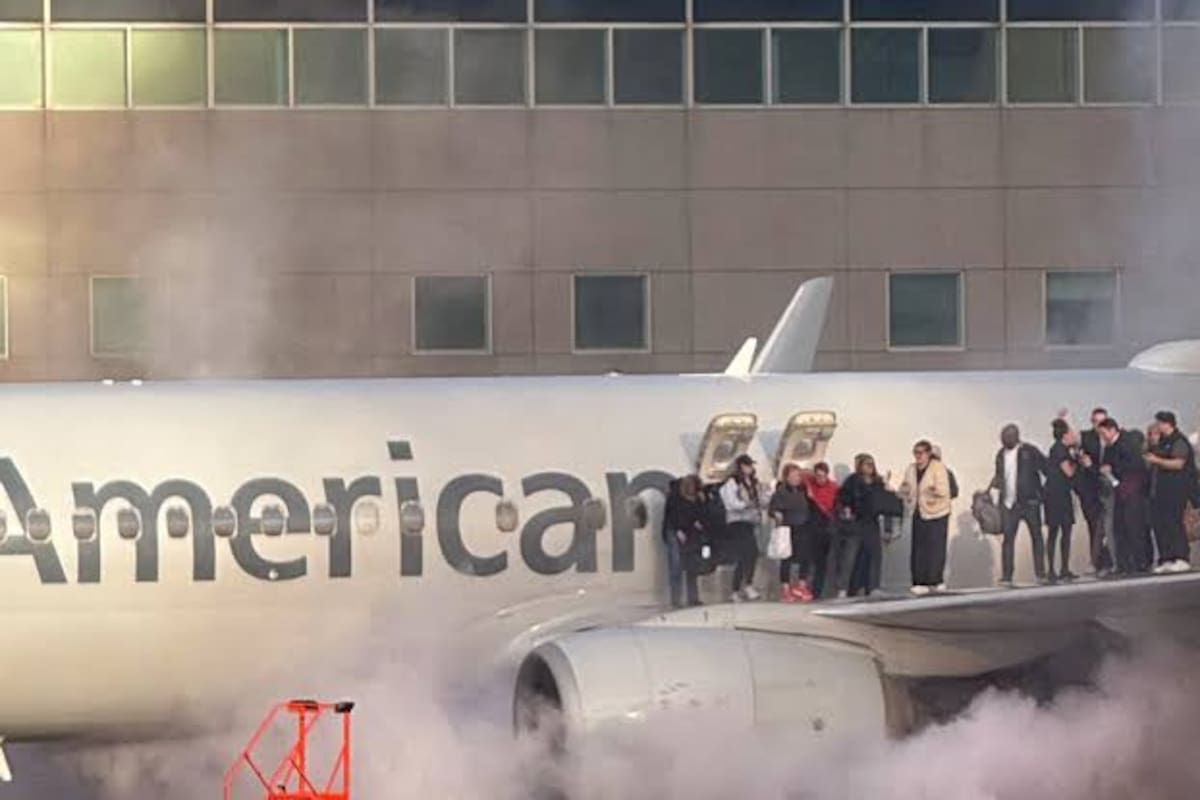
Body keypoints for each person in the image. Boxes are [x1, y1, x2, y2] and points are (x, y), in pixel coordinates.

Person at [990, 424, 1046, 587]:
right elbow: (1000, 474)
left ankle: (1040, 573)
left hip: (1029, 502)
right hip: (1009, 503)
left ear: (1016, 437)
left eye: (1007, 438)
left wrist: (1040, 495)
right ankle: (1007, 575)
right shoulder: (1000, 454)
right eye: (1002, 439)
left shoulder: (1029, 451)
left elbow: (1046, 468)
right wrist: (996, 485)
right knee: (1008, 539)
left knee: (1036, 536)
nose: (1004, 442)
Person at [835, 454, 892, 598]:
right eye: (866, 464)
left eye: (871, 464)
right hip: (856, 522)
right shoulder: (853, 481)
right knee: (850, 556)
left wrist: (888, 529)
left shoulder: (878, 482)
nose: (869, 467)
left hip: (872, 522)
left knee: (874, 556)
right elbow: (843, 498)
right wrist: (846, 509)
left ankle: (873, 587)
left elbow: (886, 505)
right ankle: (843, 588)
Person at [1099, 418, 1151, 575]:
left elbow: (1135, 466)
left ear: (1112, 429)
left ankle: (1140, 561)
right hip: (1118, 491)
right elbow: (1106, 464)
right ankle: (1124, 564)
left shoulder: (1128, 442)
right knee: (1119, 527)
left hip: (1132, 490)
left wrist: (1113, 470)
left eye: (1103, 433)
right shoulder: (1108, 448)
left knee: (1134, 525)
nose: (1103, 437)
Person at [899, 440, 952, 595]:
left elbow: (944, 490)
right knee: (918, 548)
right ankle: (919, 580)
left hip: (937, 512)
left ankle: (935, 580)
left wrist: (931, 491)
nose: (918, 456)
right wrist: (903, 490)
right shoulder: (911, 469)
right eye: (915, 453)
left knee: (936, 548)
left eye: (921, 453)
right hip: (918, 512)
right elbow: (906, 486)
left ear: (928, 454)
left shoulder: (938, 468)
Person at [1147, 411, 1194, 574]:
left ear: (1168, 424)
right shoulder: (1162, 442)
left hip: (1175, 491)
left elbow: (1178, 463)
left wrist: (1157, 460)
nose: (1157, 426)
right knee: (1161, 525)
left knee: (1174, 523)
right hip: (1160, 493)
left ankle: (1182, 557)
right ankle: (1167, 558)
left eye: (1160, 423)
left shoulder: (1178, 441)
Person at [719, 454, 765, 601]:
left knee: (752, 553)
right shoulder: (732, 483)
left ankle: (748, 584)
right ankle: (736, 588)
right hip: (737, 522)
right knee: (743, 554)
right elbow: (730, 502)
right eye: (748, 465)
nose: (751, 468)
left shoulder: (752, 482)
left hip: (750, 520)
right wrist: (745, 505)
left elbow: (759, 498)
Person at [661, 475, 711, 607]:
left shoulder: (696, 499)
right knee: (676, 565)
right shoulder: (675, 497)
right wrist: (678, 530)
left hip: (689, 532)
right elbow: (671, 516)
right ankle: (676, 600)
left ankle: (692, 598)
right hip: (674, 530)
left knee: (691, 565)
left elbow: (698, 515)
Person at [1077, 407, 1114, 575]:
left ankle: (1108, 562)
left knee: (1108, 528)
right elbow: (1076, 448)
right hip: (1090, 491)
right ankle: (1096, 562)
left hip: (1109, 490)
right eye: (1096, 422)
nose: (1099, 426)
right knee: (1094, 527)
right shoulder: (1086, 438)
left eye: (1102, 422)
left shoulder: (1113, 439)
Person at [769, 463, 813, 602]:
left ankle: (802, 585)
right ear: (786, 477)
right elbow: (773, 509)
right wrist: (777, 515)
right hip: (788, 527)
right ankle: (785, 588)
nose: (796, 478)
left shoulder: (803, 490)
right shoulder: (781, 492)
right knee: (787, 558)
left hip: (804, 526)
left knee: (806, 556)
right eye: (793, 476)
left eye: (797, 476)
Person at [1044, 418, 1079, 582]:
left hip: (1054, 494)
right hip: (1058, 495)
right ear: (1065, 435)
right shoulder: (1060, 450)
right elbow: (1069, 472)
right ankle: (1057, 568)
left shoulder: (1056, 448)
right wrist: (1077, 461)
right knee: (1061, 532)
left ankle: (1057, 568)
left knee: (1056, 532)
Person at [802, 462, 840, 599]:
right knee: (809, 560)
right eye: (817, 476)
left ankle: (816, 591)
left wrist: (814, 499)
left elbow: (830, 506)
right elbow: (802, 474)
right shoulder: (810, 483)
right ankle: (806, 588)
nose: (819, 479)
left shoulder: (833, 487)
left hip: (825, 526)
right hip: (811, 527)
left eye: (822, 477)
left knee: (821, 563)